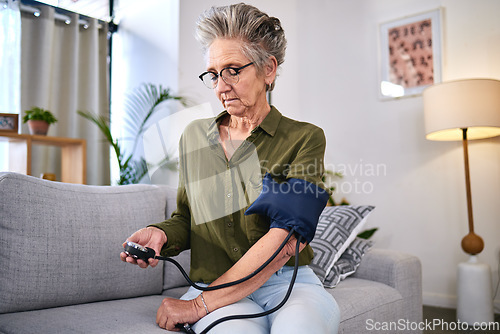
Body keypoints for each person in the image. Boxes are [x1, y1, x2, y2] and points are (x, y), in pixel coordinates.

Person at [120, 3, 340, 333]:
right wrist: (163, 234)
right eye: (213, 74)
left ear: (268, 70)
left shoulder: (304, 138)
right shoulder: (193, 137)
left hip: (287, 285)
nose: (221, 86)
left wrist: (197, 306)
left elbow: (286, 241)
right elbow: (187, 217)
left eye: (233, 70)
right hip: (215, 282)